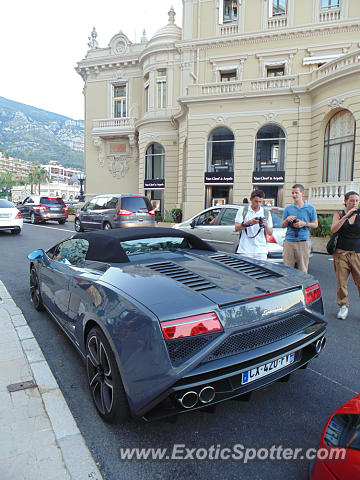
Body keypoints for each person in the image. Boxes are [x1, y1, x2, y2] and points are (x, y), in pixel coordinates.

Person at [330, 191, 360, 320]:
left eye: (357, 201)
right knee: (342, 282)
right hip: (341, 253)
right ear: (345, 200)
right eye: (352, 200)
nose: (354, 203)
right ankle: (343, 306)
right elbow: (333, 229)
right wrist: (345, 217)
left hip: (357, 253)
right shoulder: (339, 214)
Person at [281, 184, 318, 273]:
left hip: (303, 241)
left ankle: (303, 286)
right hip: (289, 241)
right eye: (293, 193)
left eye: (296, 193)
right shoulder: (288, 208)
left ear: (302, 193)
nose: (294, 195)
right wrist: (287, 220)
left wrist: (304, 224)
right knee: (287, 270)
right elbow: (282, 225)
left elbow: (315, 224)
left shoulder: (310, 208)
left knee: (302, 269)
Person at [235, 189, 273, 261]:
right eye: (256, 201)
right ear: (251, 199)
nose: (258, 204)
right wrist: (248, 223)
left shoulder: (266, 213)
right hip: (245, 249)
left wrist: (265, 225)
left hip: (261, 250)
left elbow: (270, 232)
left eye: (260, 202)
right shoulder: (243, 210)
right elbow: (236, 228)